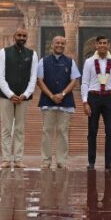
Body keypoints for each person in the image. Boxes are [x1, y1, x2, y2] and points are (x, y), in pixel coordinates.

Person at [0, 28, 38, 169]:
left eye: (24, 36)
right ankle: (6, 159)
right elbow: (0, 76)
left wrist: (25, 94)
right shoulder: (4, 52)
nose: (21, 37)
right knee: (6, 129)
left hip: (23, 97)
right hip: (6, 97)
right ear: (14, 36)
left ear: (27, 38)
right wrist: (10, 94)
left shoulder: (32, 54)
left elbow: (33, 77)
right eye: (19, 35)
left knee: (20, 129)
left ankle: (18, 159)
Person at [36, 36, 81, 169]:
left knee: (63, 131)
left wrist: (62, 94)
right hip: (47, 101)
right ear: (52, 45)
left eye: (62, 43)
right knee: (47, 131)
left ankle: (62, 160)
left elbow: (74, 80)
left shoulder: (70, 62)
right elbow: (39, 80)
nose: (60, 45)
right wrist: (51, 95)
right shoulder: (43, 61)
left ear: (65, 45)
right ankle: (46, 160)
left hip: (65, 101)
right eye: (57, 43)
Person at [81, 35, 111, 170]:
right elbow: (85, 82)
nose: (102, 45)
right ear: (96, 45)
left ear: (108, 45)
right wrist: (85, 102)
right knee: (92, 131)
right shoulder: (89, 62)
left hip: (109, 98)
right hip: (94, 97)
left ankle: (108, 163)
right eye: (100, 43)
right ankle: (91, 162)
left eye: (105, 43)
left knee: (110, 131)